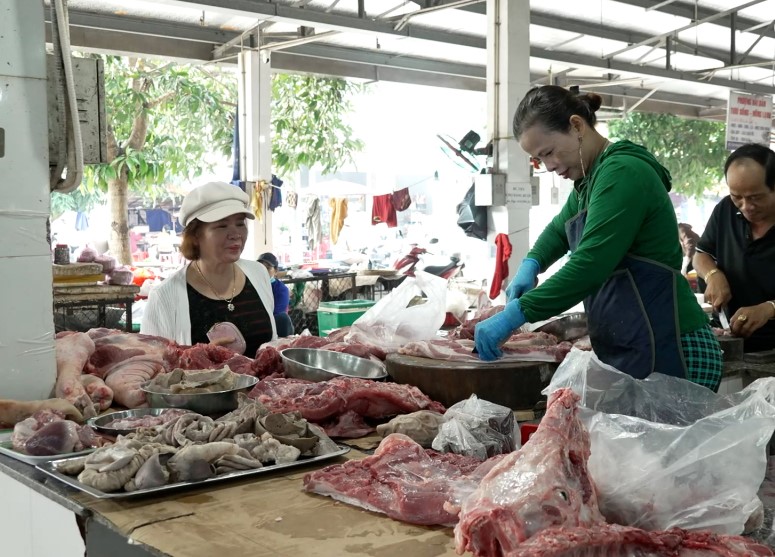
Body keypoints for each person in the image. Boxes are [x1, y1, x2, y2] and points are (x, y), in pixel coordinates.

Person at [475, 85, 722, 392]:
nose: (550, 167)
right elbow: (557, 231)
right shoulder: (589, 182)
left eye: (548, 152)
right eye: (539, 160)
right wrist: (532, 263)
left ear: (576, 126)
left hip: (674, 345)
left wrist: (519, 312)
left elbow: (590, 264)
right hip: (640, 343)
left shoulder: (622, 172)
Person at [141, 182, 277, 356]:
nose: (235, 234)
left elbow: (271, 345)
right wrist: (200, 359)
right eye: (222, 226)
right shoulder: (164, 297)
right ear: (196, 235)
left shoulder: (258, 273)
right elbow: (155, 367)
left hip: (266, 383)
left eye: (240, 223)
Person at [693, 143, 775, 352]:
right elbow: (701, 255)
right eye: (737, 197)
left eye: (755, 197)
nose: (746, 206)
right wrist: (713, 275)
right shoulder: (725, 210)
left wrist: (769, 308)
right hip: (731, 339)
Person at [258, 252, 295, 337]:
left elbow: (276, 314)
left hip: (274, 326)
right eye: (260, 268)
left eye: (267, 268)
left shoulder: (281, 290)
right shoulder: (253, 286)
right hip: (257, 323)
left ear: (275, 271)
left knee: (282, 318)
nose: (263, 271)